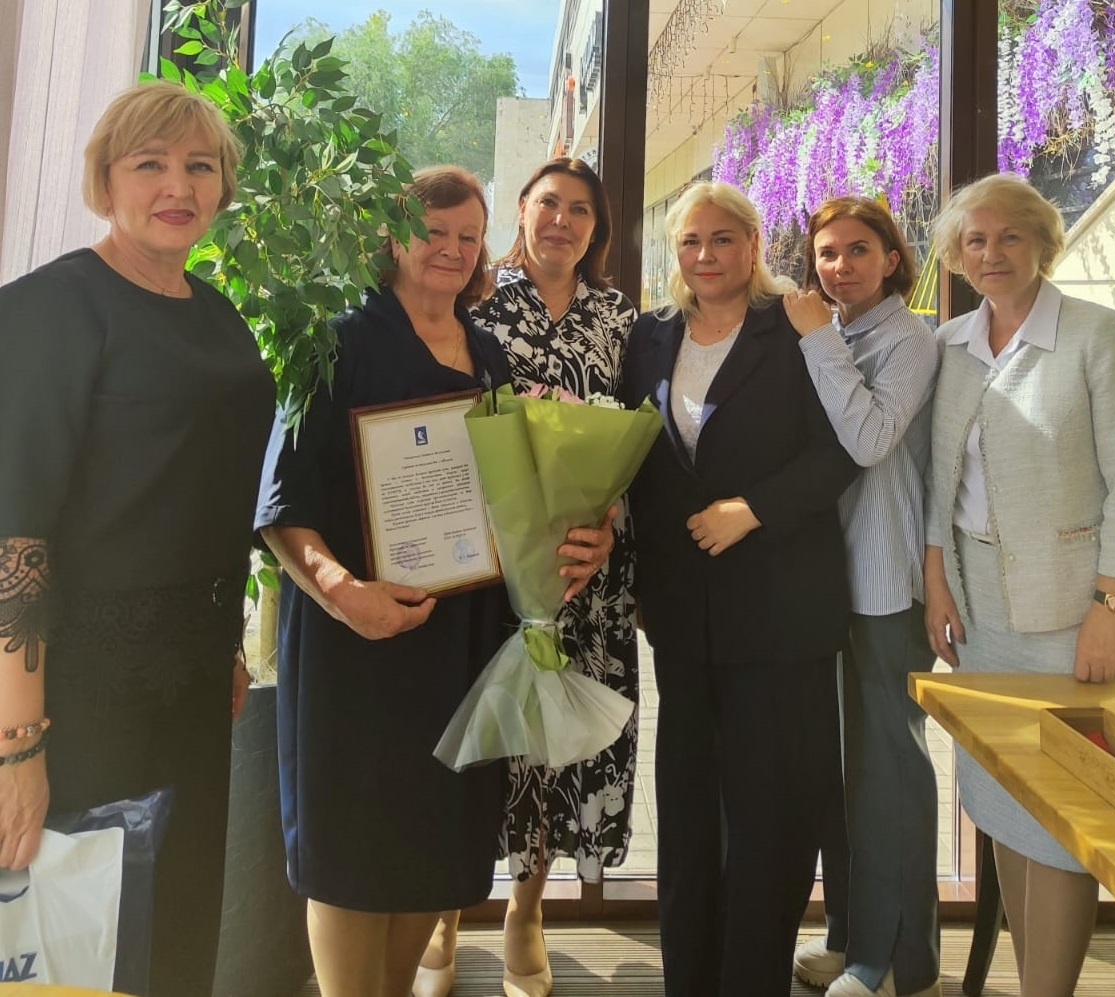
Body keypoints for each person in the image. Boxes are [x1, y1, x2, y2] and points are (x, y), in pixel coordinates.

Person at [254, 165, 613, 997]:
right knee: (350, 840)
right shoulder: (333, 341)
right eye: (433, 231)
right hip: (355, 639)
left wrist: (575, 535)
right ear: (394, 236)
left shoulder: (485, 352)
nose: (451, 248)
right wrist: (342, 592)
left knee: (430, 833)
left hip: (457, 638)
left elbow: (510, 490)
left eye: (467, 235)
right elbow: (281, 503)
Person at [0, 82, 274, 995]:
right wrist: (16, 745)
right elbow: (14, 535)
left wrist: (223, 642)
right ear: (105, 180)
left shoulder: (217, 313)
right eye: (149, 163)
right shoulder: (49, 308)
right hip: (79, 690)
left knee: (177, 928)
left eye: (200, 165)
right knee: (86, 947)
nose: (178, 185)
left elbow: (200, 493)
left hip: (191, 680)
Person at [924, 173, 1115, 997]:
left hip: (1076, 616)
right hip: (981, 615)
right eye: (974, 240)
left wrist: (1114, 607)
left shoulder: (1099, 336)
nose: (990, 253)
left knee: (1067, 819)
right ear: (955, 254)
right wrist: (936, 578)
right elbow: (939, 482)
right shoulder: (950, 344)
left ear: (1042, 242)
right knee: (1004, 801)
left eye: (1009, 236)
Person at [620, 180, 858, 997]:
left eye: (722, 238)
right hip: (681, 615)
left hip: (782, 611)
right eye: (690, 241)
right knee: (687, 813)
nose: (705, 255)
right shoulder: (648, 336)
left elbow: (844, 451)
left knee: (770, 816)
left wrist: (752, 509)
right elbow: (636, 461)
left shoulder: (795, 326)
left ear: (753, 245)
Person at [416, 157, 639, 997]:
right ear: (520, 209)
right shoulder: (476, 304)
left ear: (596, 226)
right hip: (491, 569)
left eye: (580, 209)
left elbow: (635, 436)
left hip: (582, 571)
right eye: (548, 203)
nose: (561, 220)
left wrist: (607, 524)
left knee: (555, 748)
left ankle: (526, 910)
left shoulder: (620, 318)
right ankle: (446, 910)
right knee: (488, 737)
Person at [782, 197, 941, 997]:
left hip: (883, 582)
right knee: (841, 773)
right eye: (826, 252)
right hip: (825, 579)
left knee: (887, 773)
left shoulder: (909, 338)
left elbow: (870, 440)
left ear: (890, 259)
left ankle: (896, 961)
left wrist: (814, 338)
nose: (838, 266)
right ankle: (851, 937)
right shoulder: (836, 333)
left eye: (856, 250)